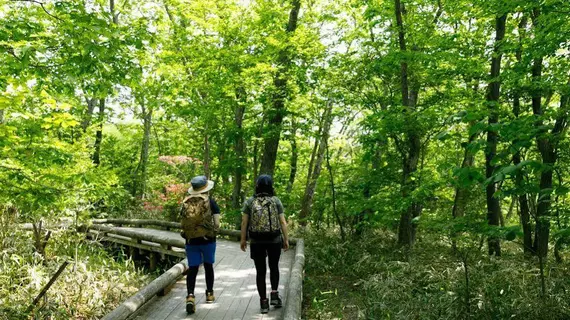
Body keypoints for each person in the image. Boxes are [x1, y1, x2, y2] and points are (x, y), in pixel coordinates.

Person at [240, 174, 289, 314]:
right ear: (271, 186)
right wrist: (286, 239)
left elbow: (244, 222)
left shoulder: (250, 202)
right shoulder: (276, 201)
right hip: (274, 240)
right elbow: (282, 222)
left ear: (257, 186)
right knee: (274, 267)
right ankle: (274, 294)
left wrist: (243, 239)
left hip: (256, 241)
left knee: (260, 272)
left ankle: (263, 303)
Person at [180, 175, 221, 314]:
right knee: (209, 266)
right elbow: (217, 223)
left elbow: (183, 222)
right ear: (205, 188)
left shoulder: (185, 202)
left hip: (191, 241)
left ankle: (190, 296)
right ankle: (209, 294)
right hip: (208, 240)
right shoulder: (210, 202)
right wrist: (212, 231)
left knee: (193, 269)